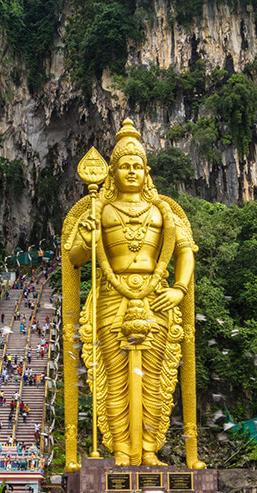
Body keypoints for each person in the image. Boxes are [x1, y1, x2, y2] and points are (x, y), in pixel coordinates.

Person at [64, 119, 201, 467]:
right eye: (124, 166)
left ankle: (151, 449)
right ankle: (122, 450)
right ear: (112, 171)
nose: (131, 171)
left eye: (137, 166)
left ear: (147, 170)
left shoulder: (163, 211)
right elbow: (76, 258)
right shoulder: (100, 210)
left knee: (156, 379)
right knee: (114, 378)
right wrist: (86, 236)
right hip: (112, 296)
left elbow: (185, 252)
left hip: (157, 298)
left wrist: (180, 290)